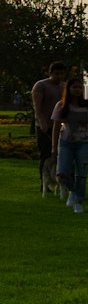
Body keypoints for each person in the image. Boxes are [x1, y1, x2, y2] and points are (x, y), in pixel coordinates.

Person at [52, 74, 88, 216]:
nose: (77, 90)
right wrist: (54, 147)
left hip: (84, 142)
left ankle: (78, 201)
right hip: (66, 142)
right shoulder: (61, 105)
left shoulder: (86, 106)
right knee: (62, 172)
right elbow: (55, 126)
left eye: (80, 87)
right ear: (69, 89)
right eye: (74, 87)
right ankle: (73, 191)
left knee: (81, 172)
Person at [32, 61, 67, 185]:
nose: (59, 76)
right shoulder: (41, 85)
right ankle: (44, 182)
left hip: (60, 126)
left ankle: (60, 182)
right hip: (45, 126)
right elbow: (37, 106)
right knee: (46, 155)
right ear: (50, 73)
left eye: (61, 74)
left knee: (61, 155)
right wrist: (42, 122)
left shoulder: (64, 86)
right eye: (56, 74)